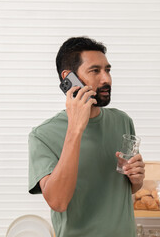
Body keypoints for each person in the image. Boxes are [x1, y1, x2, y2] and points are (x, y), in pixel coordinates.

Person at [28, 36, 145, 237]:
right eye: (95, 71)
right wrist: (75, 129)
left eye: (107, 70)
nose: (106, 79)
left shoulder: (122, 121)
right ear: (69, 78)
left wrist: (137, 179)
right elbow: (58, 202)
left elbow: (123, 191)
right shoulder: (43, 135)